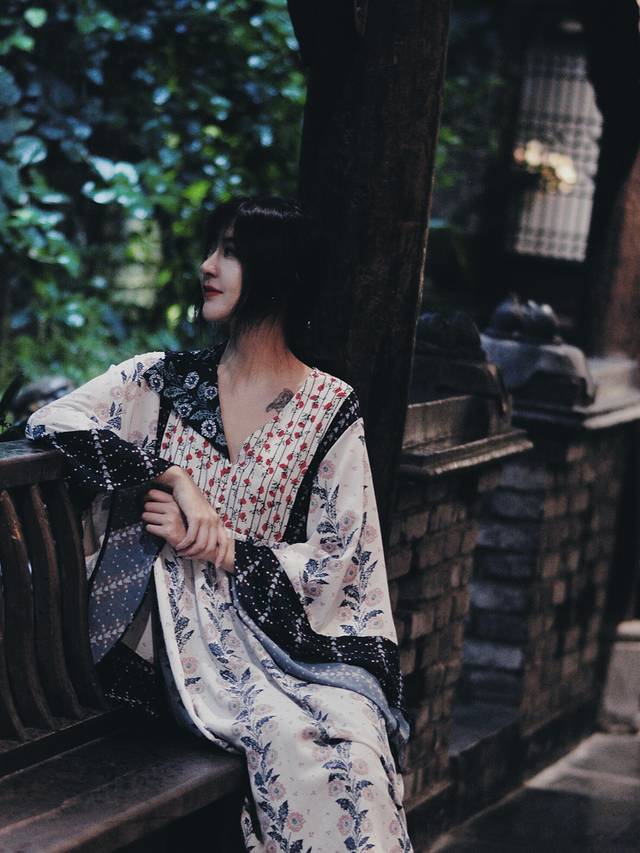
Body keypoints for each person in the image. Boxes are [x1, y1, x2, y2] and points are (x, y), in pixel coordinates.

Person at [26, 196, 413, 852]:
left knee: (352, 750)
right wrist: (170, 479)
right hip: (172, 653)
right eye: (213, 249)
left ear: (279, 272)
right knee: (297, 743)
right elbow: (50, 421)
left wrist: (228, 546)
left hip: (282, 650)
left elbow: (339, 561)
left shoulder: (328, 407)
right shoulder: (164, 382)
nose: (208, 266)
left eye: (231, 252)